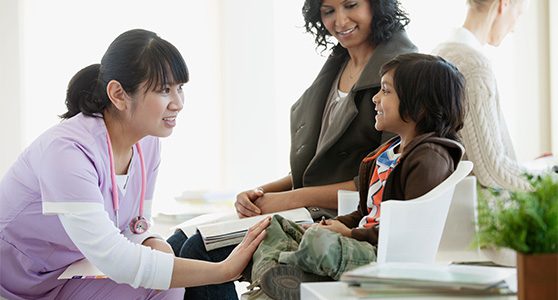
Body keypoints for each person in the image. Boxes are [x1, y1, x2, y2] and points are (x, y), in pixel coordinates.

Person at [167, 1, 416, 297]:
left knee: (199, 249)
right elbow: (312, 168)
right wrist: (260, 192)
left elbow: (379, 179)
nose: (340, 20)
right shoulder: (340, 63)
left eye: (350, 5)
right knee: (174, 246)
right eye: (328, 11)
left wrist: (284, 200)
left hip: (338, 222)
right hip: (305, 209)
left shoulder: (402, 73)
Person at [0, 29, 269, 300]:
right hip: (12, 283)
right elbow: (115, 257)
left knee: (167, 284)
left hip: (64, 275)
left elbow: (133, 226)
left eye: (180, 88)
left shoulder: (147, 144)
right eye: (164, 90)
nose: (178, 103)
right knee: (162, 277)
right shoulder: (67, 151)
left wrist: (152, 241)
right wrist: (224, 271)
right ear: (118, 94)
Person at [250, 52, 466, 300]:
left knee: (318, 243)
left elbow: (405, 232)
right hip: (356, 244)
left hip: (379, 257)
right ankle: (278, 276)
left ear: (421, 104)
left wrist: (348, 234)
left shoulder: (429, 160)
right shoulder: (387, 153)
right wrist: (337, 224)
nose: (375, 98)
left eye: (385, 91)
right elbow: (367, 212)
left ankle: (289, 276)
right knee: (273, 227)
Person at [432, 0, 536, 191]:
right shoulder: (473, 66)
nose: (514, 28)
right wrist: (545, 179)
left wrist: (531, 168)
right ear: (502, 5)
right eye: (518, 14)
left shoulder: (439, 52)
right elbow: (490, 170)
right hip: (476, 213)